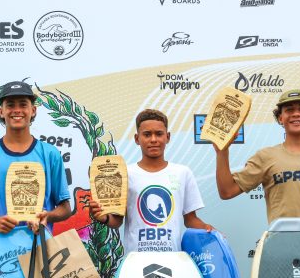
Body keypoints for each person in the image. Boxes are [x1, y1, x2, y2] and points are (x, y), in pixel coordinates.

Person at [214, 89, 300, 232]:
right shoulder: (265, 156)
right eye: (289, 110)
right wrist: (222, 152)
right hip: (280, 245)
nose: (296, 114)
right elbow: (227, 191)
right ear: (280, 118)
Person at [90, 109, 213, 254]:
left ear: (167, 137)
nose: (153, 139)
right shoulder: (125, 174)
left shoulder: (182, 173)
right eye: (147, 134)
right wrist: (104, 218)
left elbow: (191, 219)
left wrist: (210, 231)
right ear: (137, 139)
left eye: (159, 134)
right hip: (136, 260)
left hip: (173, 259)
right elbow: (116, 221)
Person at [0, 81, 71, 233]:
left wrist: (48, 216)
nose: (17, 110)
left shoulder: (50, 154)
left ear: (33, 110)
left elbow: (65, 208)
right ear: (1, 111)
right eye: (10, 105)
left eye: (23, 104)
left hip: (37, 244)